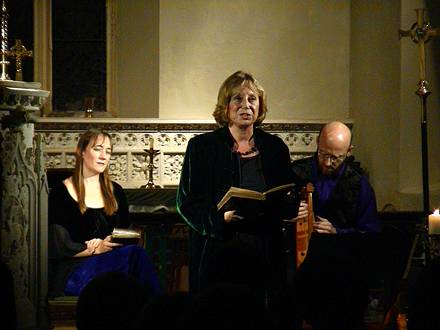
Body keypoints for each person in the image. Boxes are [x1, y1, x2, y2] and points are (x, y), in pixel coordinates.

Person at [176, 71, 298, 319]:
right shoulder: (202, 148)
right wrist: (219, 219)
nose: (246, 106)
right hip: (219, 245)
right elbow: (186, 203)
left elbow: (287, 195)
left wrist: (293, 206)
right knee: (220, 315)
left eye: (252, 99)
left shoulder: (275, 148)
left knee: (262, 315)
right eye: (237, 99)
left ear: (260, 105)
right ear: (226, 106)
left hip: (264, 246)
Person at [48, 129, 161, 297]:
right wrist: (95, 249)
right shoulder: (61, 192)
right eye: (97, 149)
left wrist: (111, 241)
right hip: (76, 269)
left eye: (108, 151)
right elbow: (58, 245)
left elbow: (128, 233)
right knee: (136, 259)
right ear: (81, 152)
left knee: (135, 257)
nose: (104, 156)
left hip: (115, 262)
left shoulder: (115, 191)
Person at [290, 121, 380, 329]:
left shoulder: (359, 185)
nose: (328, 162)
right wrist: (290, 214)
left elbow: (370, 235)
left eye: (336, 157)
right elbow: (275, 214)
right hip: (298, 275)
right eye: (323, 154)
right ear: (316, 143)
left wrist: (337, 232)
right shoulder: (295, 173)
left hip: (342, 280)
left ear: (349, 152)